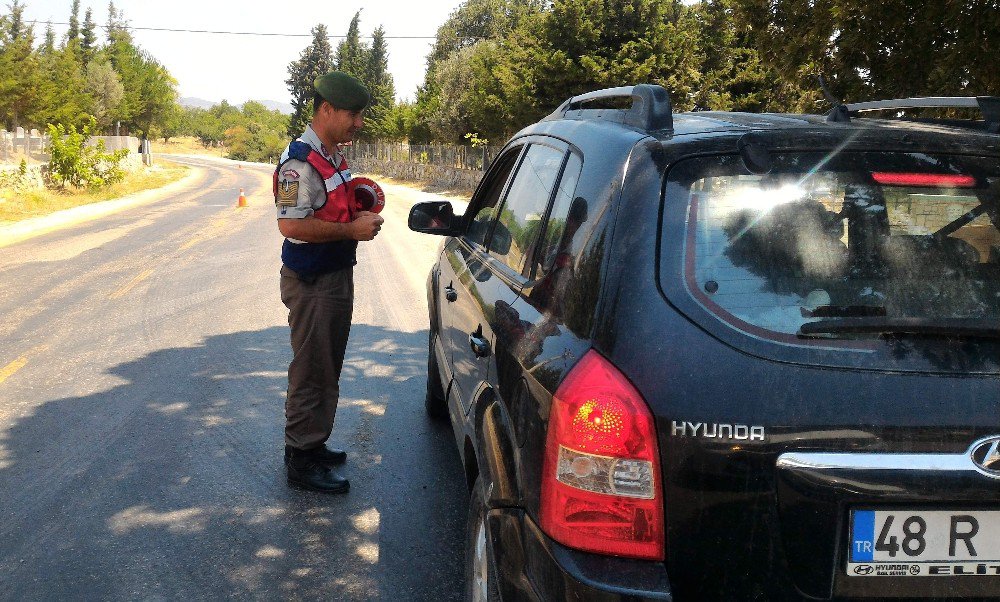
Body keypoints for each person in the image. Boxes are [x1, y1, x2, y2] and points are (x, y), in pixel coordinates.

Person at [274, 71, 384, 494]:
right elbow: (289, 224)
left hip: (333, 276)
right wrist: (350, 231)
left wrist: (358, 208)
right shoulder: (298, 163)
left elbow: (332, 206)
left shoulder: (333, 155)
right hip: (313, 281)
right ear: (326, 110)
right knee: (311, 369)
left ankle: (312, 443)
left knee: (326, 366)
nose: (359, 122)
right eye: (353, 114)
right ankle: (301, 459)